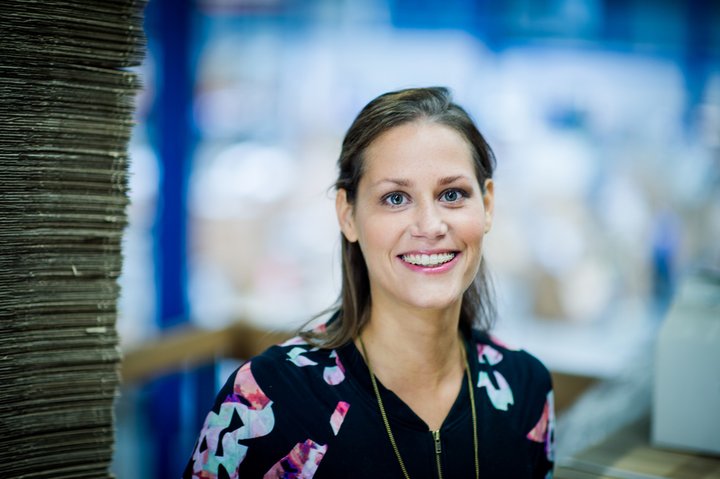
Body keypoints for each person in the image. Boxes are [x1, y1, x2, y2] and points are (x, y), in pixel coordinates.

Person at [183, 87, 555, 478]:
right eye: (395, 198)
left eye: (452, 194)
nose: (430, 226)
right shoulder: (268, 397)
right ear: (348, 215)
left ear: (488, 204)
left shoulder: (524, 386)